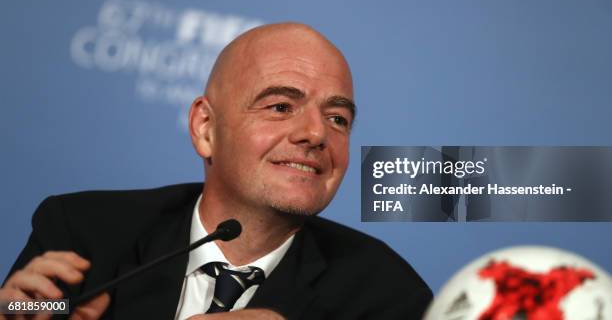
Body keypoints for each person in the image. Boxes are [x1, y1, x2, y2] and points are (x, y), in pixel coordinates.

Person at [1, 23, 432, 319]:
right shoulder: (85, 235)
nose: (316, 133)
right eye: (281, 107)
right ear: (206, 128)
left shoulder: (388, 297)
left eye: (338, 118)